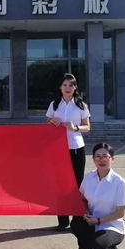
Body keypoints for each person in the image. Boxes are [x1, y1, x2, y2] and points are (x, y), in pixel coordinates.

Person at [71, 143, 125, 249]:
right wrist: (85, 211)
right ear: (93, 159)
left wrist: (98, 221)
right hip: (91, 221)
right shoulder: (88, 177)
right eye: (97, 156)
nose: (101, 160)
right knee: (76, 223)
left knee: (99, 247)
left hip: (111, 225)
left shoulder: (119, 182)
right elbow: (82, 198)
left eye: (105, 156)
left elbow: (120, 213)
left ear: (112, 159)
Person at [46, 73, 90, 231]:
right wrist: (52, 121)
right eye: (65, 85)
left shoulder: (81, 105)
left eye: (71, 85)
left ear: (75, 88)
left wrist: (75, 127)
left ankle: (77, 219)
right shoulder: (54, 104)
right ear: (60, 87)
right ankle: (62, 220)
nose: (67, 88)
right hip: (58, 149)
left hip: (76, 147)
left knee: (77, 184)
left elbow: (87, 126)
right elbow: (47, 122)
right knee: (61, 184)